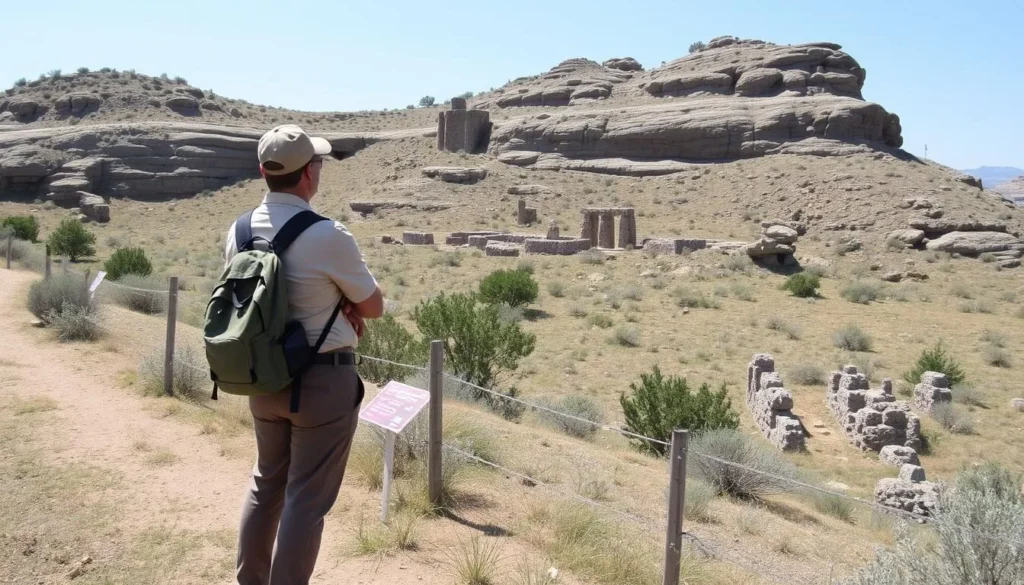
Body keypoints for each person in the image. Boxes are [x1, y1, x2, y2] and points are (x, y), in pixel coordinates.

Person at [225, 124, 383, 585]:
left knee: (266, 482)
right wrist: (347, 305)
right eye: (318, 163)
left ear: (264, 171)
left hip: (262, 379)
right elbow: (373, 306)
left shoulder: (236, 231)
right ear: (309, 175)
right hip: (320, 382)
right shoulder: (328, 235)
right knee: (306, 500)